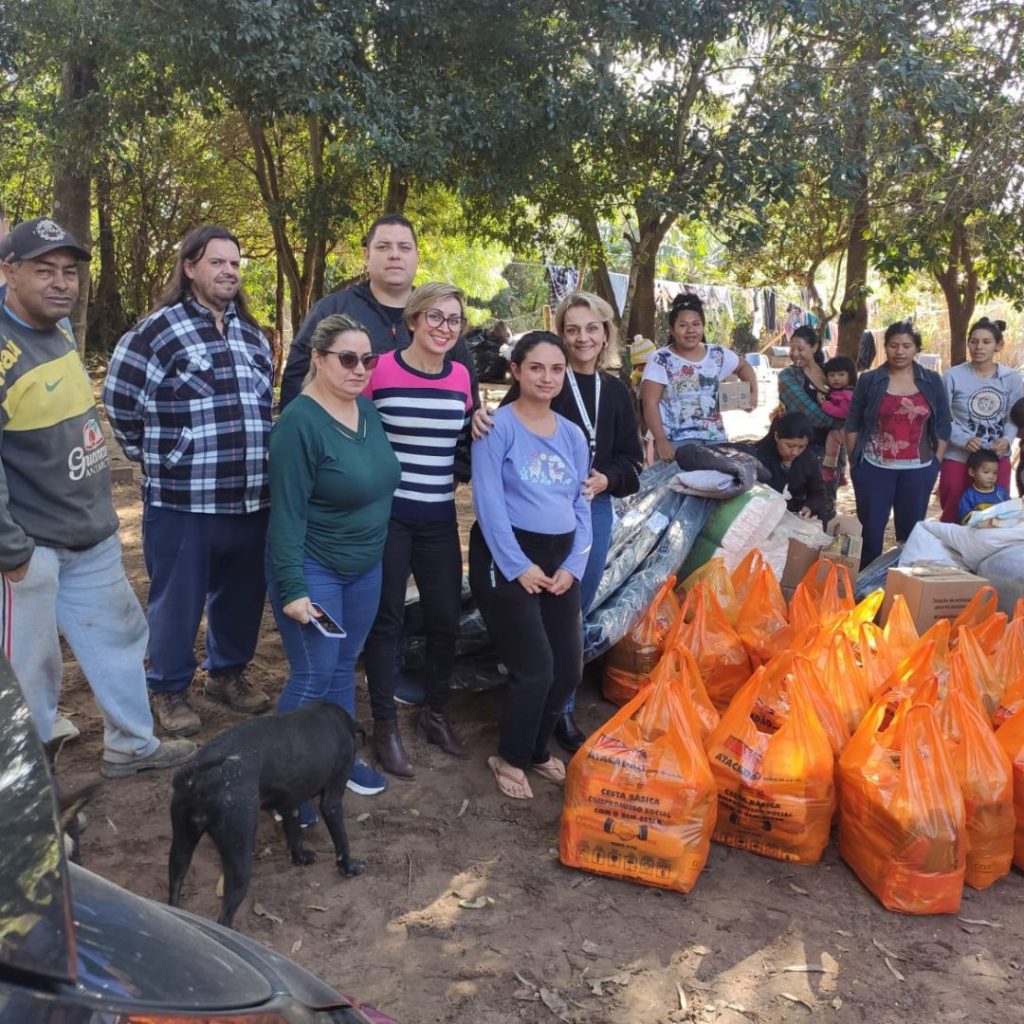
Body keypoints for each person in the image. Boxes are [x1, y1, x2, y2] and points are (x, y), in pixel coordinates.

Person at [0, 217, 196, 777]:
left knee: (122, 634)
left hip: (92, 533)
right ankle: (27, 779)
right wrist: (11, 553)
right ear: (9, 273)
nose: (62, 283)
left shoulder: (56, 327)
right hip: (30, 549)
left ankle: (132, 746)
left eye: (69, 272)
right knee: (28, 668)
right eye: (44, 271)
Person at [104, 226, 274, 737]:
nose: (228, 271)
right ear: (190, 268)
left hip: (251, 497)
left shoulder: (253, 334)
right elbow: (119, 403)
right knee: (177, 601)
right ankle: (168, 688)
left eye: (235, 263)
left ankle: (226, 675)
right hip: (183, 502)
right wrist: (165, 458)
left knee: (243, 596)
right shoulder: (156, 331)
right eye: (216, 262)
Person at [472, 291, 643, 752]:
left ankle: (559, 710)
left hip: (588, 513)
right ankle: (528, 698)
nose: (582, 337)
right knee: (531, 616)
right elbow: (496, 428)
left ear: (605, 333)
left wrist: (606, 479)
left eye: (591, 328)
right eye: (572, 329)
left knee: (572, 607)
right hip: (527, 521)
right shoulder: (545, 377)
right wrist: (477, 419)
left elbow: (634, 461)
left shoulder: (616, 392)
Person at [267, 314, 401, 802]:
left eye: (368, 359)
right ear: (318, 359)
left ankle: (338, 761)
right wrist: (293, 588)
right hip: (313, 566)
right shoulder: (298, 426)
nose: (360, 369)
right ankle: (283, 782)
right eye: (347, 358)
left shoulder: (364, 412)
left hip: (364, 566)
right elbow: (286, 516)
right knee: (313, 674)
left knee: (344, 666)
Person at [469, 331, 592, 800]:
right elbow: (489, 502)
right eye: (536, 367)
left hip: (560, 560)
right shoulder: (496, 427)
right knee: (535, 667)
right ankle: (511, 755)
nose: (546, 377)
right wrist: (517, 565)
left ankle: (538, 750)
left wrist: (574, 567)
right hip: (507, 557)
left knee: (567, 668)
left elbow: (582, 504)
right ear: (516, 370)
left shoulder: (573, 435)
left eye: (556, 369)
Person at [361, 284, 473, 779]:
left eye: (454, 320)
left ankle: (435, 711)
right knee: (386, 620)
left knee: (445, 618)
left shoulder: (462, 377)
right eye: (435, 317)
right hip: (389, 516)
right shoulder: (380, 369)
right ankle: (385, 725)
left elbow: (466, 443)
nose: (444, 328)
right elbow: (355, 429)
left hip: (439, 517)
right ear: (412, 320)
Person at [279, 214, 478, 411]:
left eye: (404, 247)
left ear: (417, 255)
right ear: (366, 255)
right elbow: (296, 379)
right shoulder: (332, 310)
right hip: (343, 437)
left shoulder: (440, 318)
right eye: (383, 247)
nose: (394, 255)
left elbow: (468, 395)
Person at [845, 321, 952, 568]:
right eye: (894, 345)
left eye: (906, 346)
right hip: (873, 468)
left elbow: (943, 423)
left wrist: (936, 462)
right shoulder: (870, 380)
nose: (899, 351)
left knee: (909, 537)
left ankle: (903, 590)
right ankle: (865, 589)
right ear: (886, 347)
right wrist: (856, 464)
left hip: (919, 469)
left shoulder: (932, 380)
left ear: (916, 349)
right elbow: (852, 423)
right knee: (870, 535)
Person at [640, 293, 758, 460]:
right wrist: (661, 440)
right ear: (672, 329)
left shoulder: (717, 354)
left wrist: (753, 394)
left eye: (696, 324)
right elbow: (650, 403)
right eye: (683, 325)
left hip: (715, 439)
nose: (690, 330)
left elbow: (743, 366)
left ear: (703, 327)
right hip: (676, 442)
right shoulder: (661, 359)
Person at [938, 317, 1022, 523]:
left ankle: (986, 553)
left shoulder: (1011, 377)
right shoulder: (952, 376)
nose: (979, 347)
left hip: (995, 456)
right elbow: (941, 417)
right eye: (974, 341)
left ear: (998, 346)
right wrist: (962, 439)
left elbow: (1015, 415)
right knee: (953, 507)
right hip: (958, 455)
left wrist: (1007, 440)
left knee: (995, 513)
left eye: (986, 342)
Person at [748, 412, 829, 522]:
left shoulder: (808, 458)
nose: (794, 452)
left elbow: (818, 492)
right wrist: (785, 467)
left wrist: (809, 507)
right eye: (790, 446)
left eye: (801, 447)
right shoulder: (757, 457)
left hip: (795, 516)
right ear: (777, 436)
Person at [819, 356, 857, 483]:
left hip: (845, 428)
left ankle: (831, 471)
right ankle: (839, 474)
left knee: (832, 444)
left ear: (850, 376)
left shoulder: (848, 394)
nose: (836, 378)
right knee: (838, 451)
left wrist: (825, 405)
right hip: (842, 428)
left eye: (841, 374)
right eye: (832, 375)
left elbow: (843, 412)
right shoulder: (836, 392)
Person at [957, 450, 1010, 524]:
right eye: (986, 472)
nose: (991, 476)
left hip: (999, 529)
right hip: (977, 531)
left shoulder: (1001, 493)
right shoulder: (969, 496)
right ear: (972, 472)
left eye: (995, 473)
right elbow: (965, 519)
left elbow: (1010, 511)